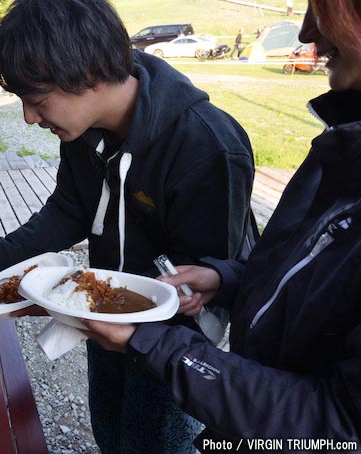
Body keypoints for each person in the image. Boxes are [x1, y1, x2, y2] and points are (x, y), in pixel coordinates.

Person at [0, 0, 257, 452]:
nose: (29, 118)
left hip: (169, 345)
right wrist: (0, 257)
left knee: (151, 442)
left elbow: (210, 270)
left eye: (37, 101)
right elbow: (68, 209)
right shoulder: (83, 132)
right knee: (110, 433)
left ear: (91, 73)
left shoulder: (205, 147)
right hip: (101, 318)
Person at [83, 0, 361, 450]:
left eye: (325, 10)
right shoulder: (341, 146)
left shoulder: (206, 145)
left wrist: (154, 344)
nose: (308, 33)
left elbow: (341, 429)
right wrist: (226, 278)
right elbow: (303, 276)